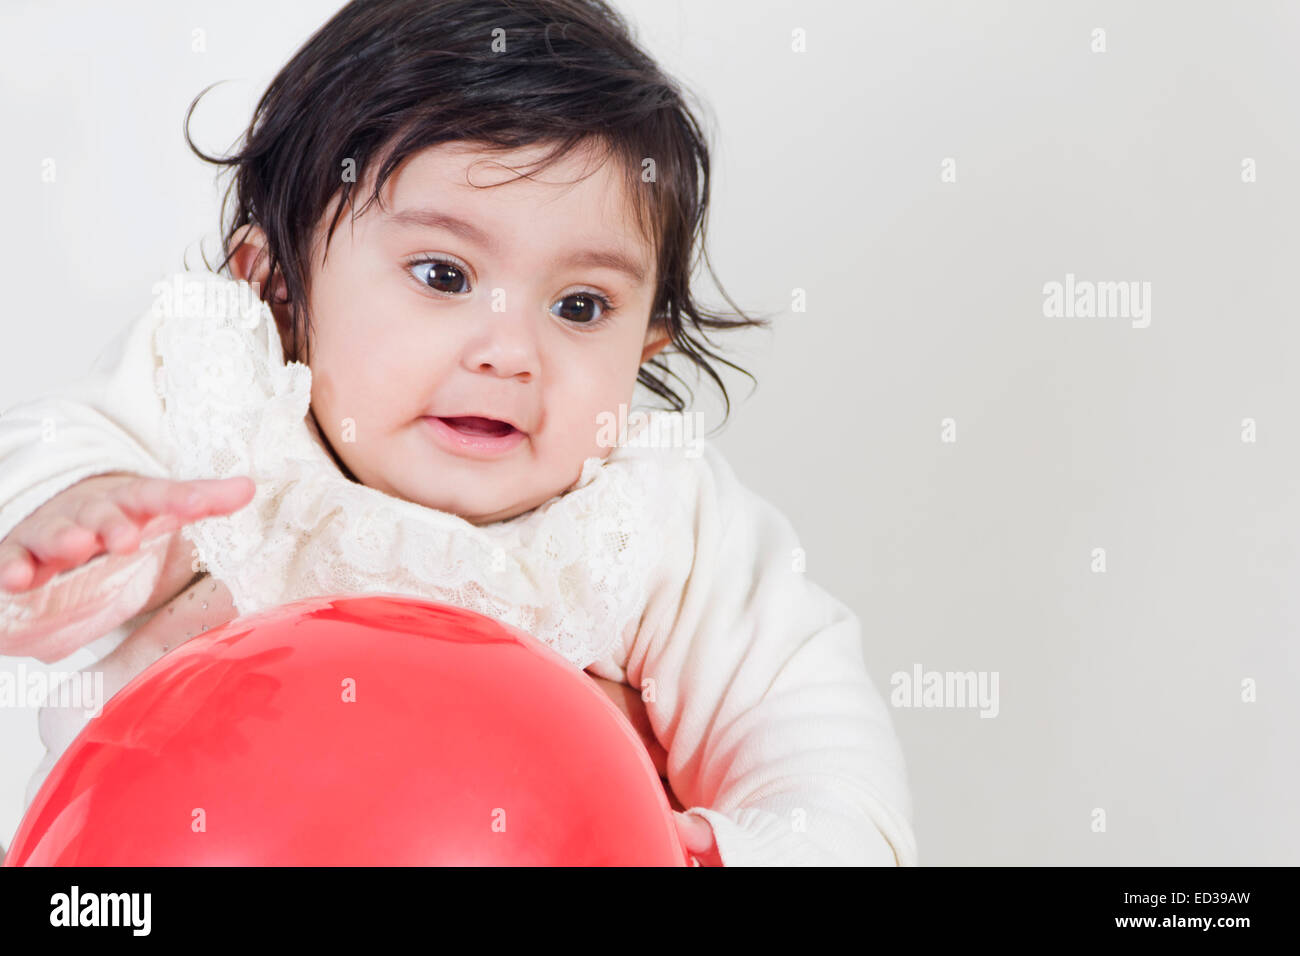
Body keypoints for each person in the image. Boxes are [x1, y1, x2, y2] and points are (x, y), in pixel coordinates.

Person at [0, 0, 916, 867]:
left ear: (643, 352)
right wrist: (72, 513)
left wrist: (705, 847)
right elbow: (59, 466)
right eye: (443, 275)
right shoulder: (218, 410)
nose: (512, 351)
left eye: (580, 305)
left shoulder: (656, 517)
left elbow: (810, 727)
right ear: (276, 288)